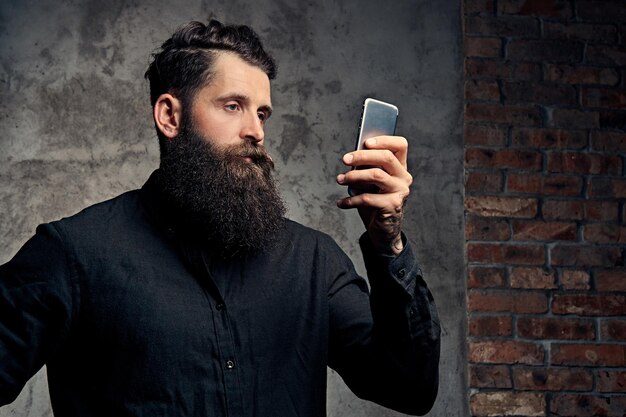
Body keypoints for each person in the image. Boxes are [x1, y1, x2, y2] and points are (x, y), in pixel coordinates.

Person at [0, 19, 440, 417]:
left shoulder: (313, 262)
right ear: (170, 116)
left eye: (262, 112)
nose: (257, 131)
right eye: (233, 106)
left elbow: (409, 388)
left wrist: (389, 244)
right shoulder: (75, 252)